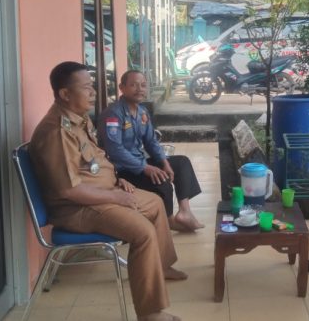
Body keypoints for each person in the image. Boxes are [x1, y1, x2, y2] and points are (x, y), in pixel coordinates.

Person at [29, 62, 186, 321]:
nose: (93, 92)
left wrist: (116, 181)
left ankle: (161, 266)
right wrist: (115, 196)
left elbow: (92, 165)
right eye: (86, 88)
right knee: (143, 232)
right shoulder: (58, 131)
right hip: (79, 208)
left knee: (155, 202)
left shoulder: (78, 120)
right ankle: (150, 313)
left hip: (101, 193)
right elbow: (69, 191)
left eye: (92, 86)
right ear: (65, 94)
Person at [97, 70, 204, 232]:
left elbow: (151, 141)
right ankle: (168, 221)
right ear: (122, 87)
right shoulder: (113, 114)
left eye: (143, 85)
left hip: (140, 163)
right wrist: (145, 167)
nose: (139, 89)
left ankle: (185, 212)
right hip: (121, 171)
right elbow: (115, 150)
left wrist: (164, 162)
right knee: (161, 181)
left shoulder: (142, 112)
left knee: (181, 163)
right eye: (133, 85)